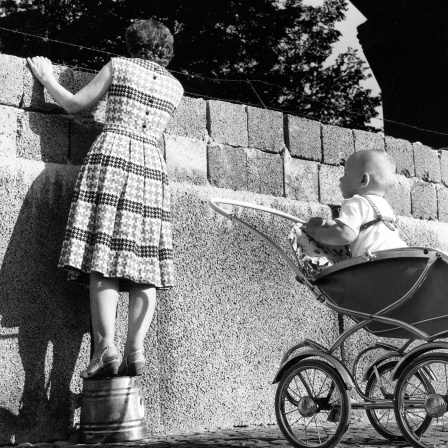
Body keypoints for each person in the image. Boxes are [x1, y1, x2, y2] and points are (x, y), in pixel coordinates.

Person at [27, 18, 184, 379]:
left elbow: (75, 104)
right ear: (166, 51)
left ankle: (106, 350)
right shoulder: (176, 88)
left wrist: (48, 78)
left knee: (103, 256)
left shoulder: (120, 65)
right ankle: (136, 350)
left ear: (133, 44)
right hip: (150, 168)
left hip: (112, 157)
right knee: (145, 264)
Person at [298, 149, 407, 264]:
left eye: (345, 174)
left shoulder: (356, 202)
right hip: (399, 256)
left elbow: (345, 234)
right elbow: (360, 227)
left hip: (377, 262)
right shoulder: (385, 206)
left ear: (363, 180)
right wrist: (327, 224)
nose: (341, 178)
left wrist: (316, 232)